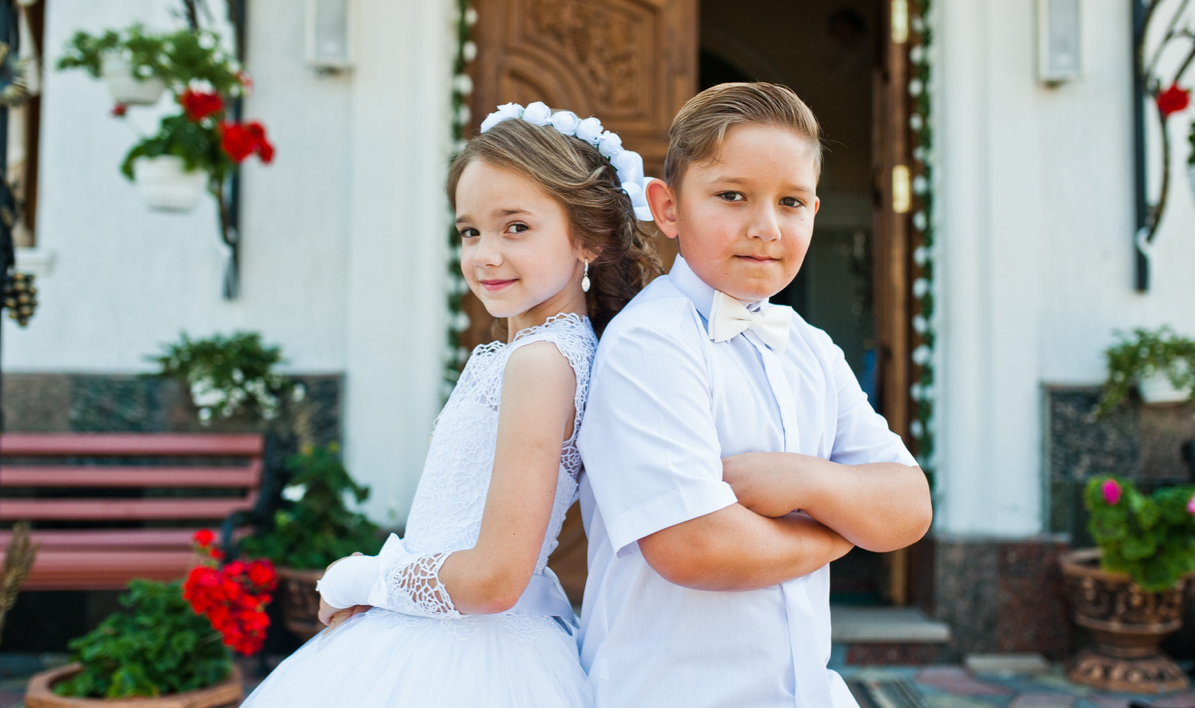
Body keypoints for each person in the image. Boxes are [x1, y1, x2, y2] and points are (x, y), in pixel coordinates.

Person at [242, 102, 660, 708]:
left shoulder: (542, 363)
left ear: (588, 238)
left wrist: (364, 576)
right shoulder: (527, 351)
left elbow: (494, 578)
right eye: (470, 230)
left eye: (515, 227)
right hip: (449, 635)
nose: (484, 254)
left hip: (471, 658)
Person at [577, 82, 933, 708]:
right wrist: (842, 532)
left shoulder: (811, 349)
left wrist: (803, 482)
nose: (765, 226)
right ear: (667, 208)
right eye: (732, 195)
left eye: (790, 201)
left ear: (814, 213)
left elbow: (908, 505)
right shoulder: (651, 343)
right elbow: (698, 546)